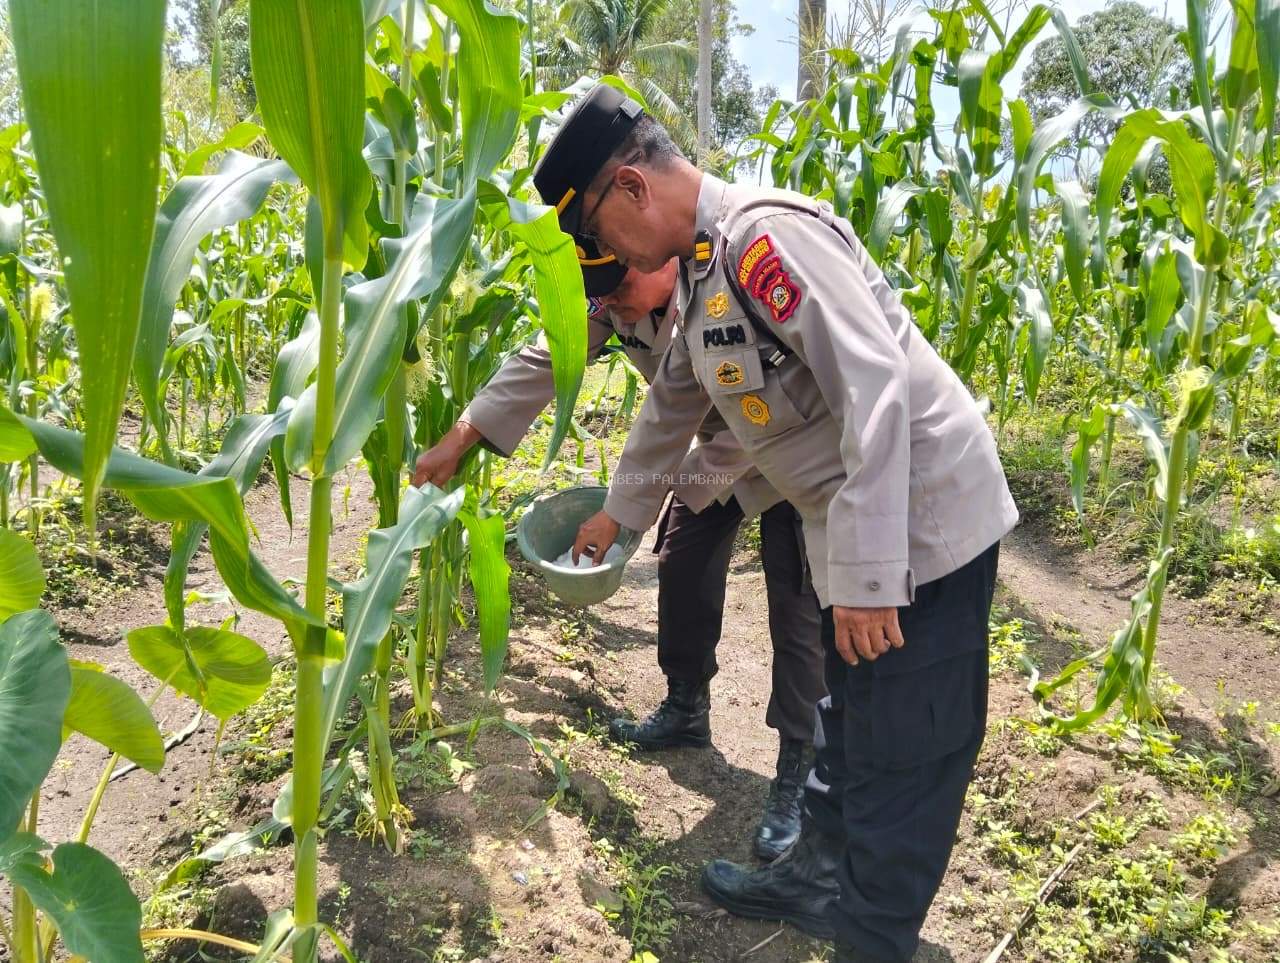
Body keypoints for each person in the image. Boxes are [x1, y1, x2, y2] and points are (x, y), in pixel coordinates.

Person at [537, 82, 1019, 962]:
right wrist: (619, 514)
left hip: (920, 528)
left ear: (633, 189)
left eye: (602, 236)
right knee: (848, 715)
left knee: (903, 753)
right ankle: (810, 877)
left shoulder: (767, 239)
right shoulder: (705, 271)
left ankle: (873, 937)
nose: (609, 257)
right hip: (855, 522)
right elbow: (674, 401)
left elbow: (875, 387)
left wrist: (872, 577)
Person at [411, 237, 827, 861]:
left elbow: (752, 407)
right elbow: (550, 354)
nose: (611, 308)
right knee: (682, 559)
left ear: (658, 251)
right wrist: (463, 434)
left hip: (793, 442)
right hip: (711, 447)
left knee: (797, 602)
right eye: (600, 297)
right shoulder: (614, 298)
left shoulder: (724, 289)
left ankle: (799, 767)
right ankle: (686, 705)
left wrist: (629, 503)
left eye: (620, 291)